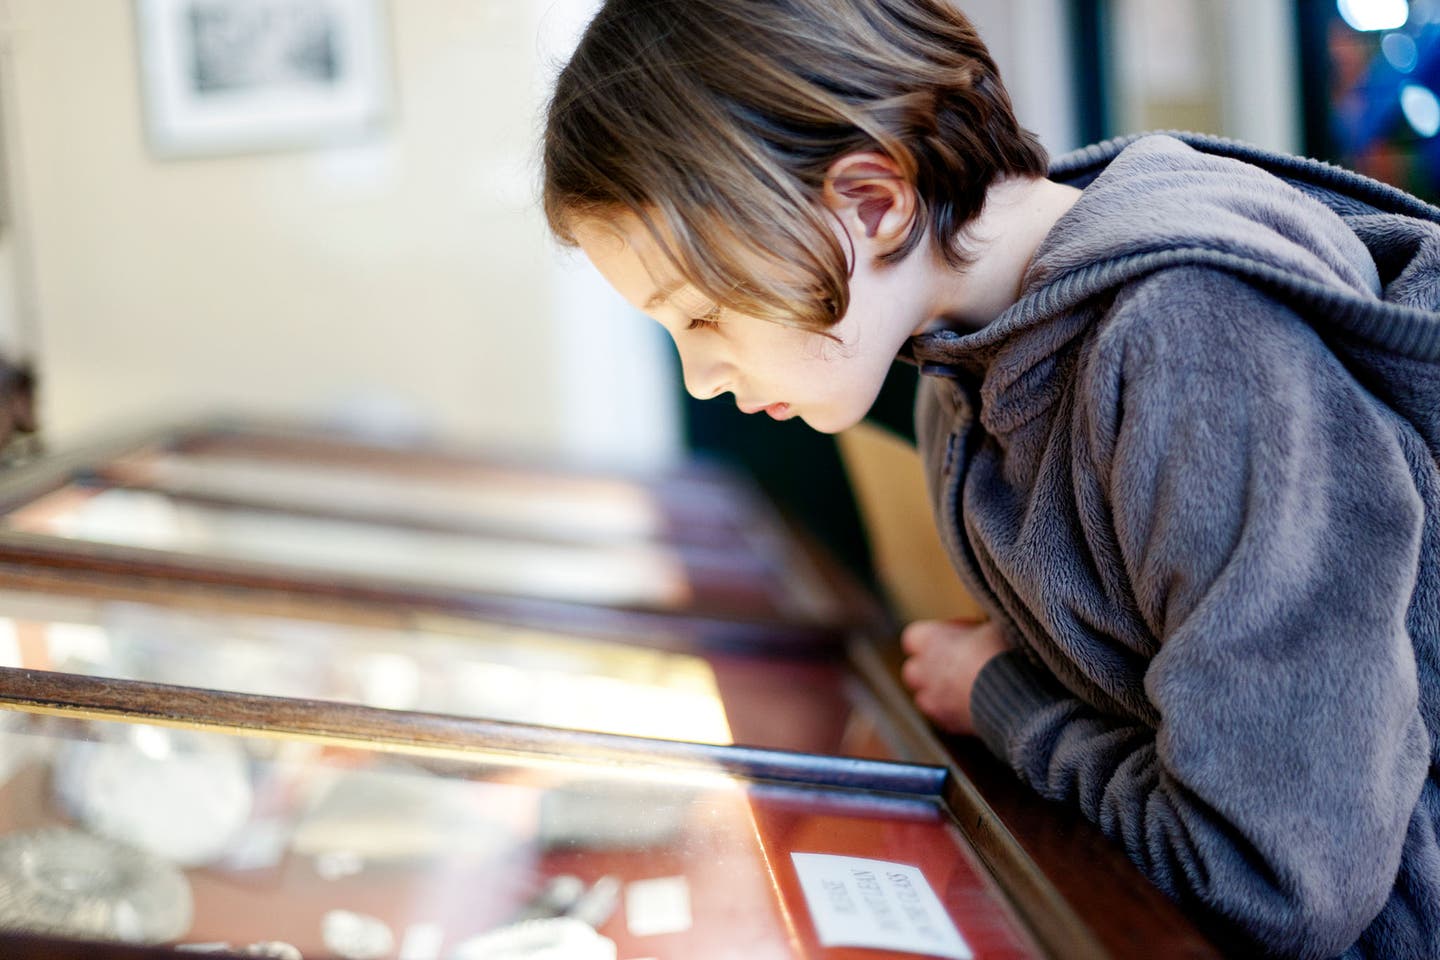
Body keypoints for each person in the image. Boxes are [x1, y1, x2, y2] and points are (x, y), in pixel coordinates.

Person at [540, 1, 1440, 956]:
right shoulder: (956, 371)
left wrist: (1002, 703)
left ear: (875, 203)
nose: (701, 377)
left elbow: (1268, 881)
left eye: (707, 313)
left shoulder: (1195, 346)